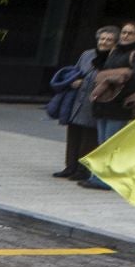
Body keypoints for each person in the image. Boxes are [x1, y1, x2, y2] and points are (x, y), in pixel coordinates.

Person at [80, 21, 135, 191]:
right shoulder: (114, 51)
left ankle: (104, 180)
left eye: (130, 33)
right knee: (102, 142)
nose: (125, 35)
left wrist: (121, 94)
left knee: (111, 143)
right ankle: (95, 176)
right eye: (124, 32)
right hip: (104, 103)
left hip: (117, 106)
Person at [49, 27, 117, 179]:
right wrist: (73, 81)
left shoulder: (116, 58)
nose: (104, 42)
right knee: (74, 133)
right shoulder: (87, 54)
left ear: (115, 43)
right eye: (102, 39)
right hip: (78, 100)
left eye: (108, 40)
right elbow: (76, 71)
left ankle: (82, 170)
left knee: (89, 137)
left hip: (96, 101)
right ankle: (70, 166)